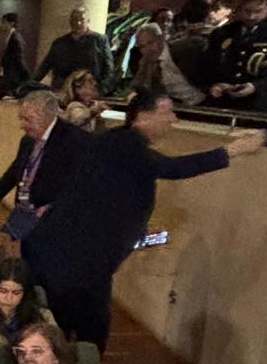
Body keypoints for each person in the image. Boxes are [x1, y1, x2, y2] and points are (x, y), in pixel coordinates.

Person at [23, 88, 248, 348]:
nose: (173, 119)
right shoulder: (127, 144)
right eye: (167, 112)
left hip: (73, 256)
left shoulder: (119, 143)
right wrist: (233, 151)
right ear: (143, 116)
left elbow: (109, 195)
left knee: (75, 329)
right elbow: (174, 168)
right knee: (86, 333)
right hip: (75, 260)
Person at [0, 92, 86, 237]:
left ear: (48, 116)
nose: (22, 125)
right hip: (25, 216)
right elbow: (13, 174)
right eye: (21, 118)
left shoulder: (76, 141)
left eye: (28, 119)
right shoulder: (28, 140)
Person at [32, 6, 113, 91]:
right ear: (70, 21)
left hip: (88, 91)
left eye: (82, 20)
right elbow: (45, 66)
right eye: (74, 19)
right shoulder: (59, 43)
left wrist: (102, 89)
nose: (78, 23)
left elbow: (109, 68)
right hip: (63, 90)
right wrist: (31, 84)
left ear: (88, 21)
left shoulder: (99, 40)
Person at [0, 13, 31, 85]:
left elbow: (18, 59)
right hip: (8, 75)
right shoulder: (11, 36)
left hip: (12, 76)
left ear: (11, 23)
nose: (1, 25)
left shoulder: (15, 38)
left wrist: (26, 77)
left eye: (4, 22)